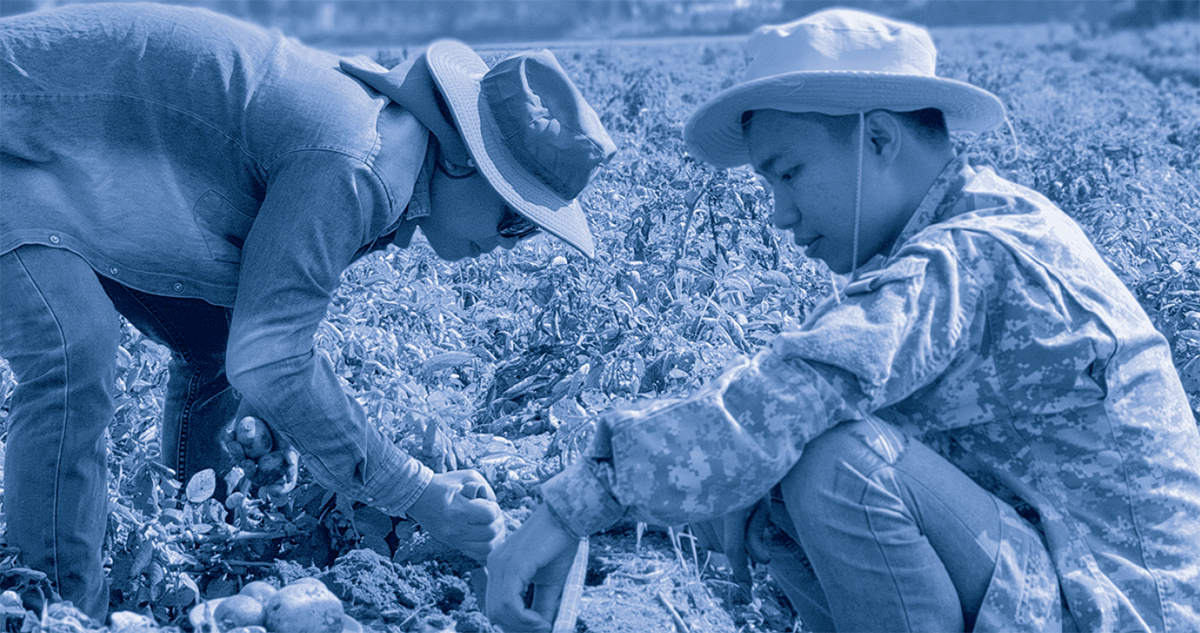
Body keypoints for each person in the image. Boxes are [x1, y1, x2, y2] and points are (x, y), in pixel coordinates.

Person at [486, 8, 1200, 633]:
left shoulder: (969, 253)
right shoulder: (969, 223)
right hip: (1068, 581)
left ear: (880, 140)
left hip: (1115, 608)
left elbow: (794, 388)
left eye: (789, 173)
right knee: (784, 459)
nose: (780, 212)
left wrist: (571, 506)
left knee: (835, 461)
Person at [0, 2, 615, 620]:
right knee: (72, 350)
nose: (510, 241)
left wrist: (275, 402)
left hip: (63, 155)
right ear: (461, 159)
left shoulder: (385, 145)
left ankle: (191, 530)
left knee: (214, 339)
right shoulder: (358, 165)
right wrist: (419, 493)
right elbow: (272, 357)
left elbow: (257, 328)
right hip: (15, 134)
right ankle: (57, 609)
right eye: (513, 216)